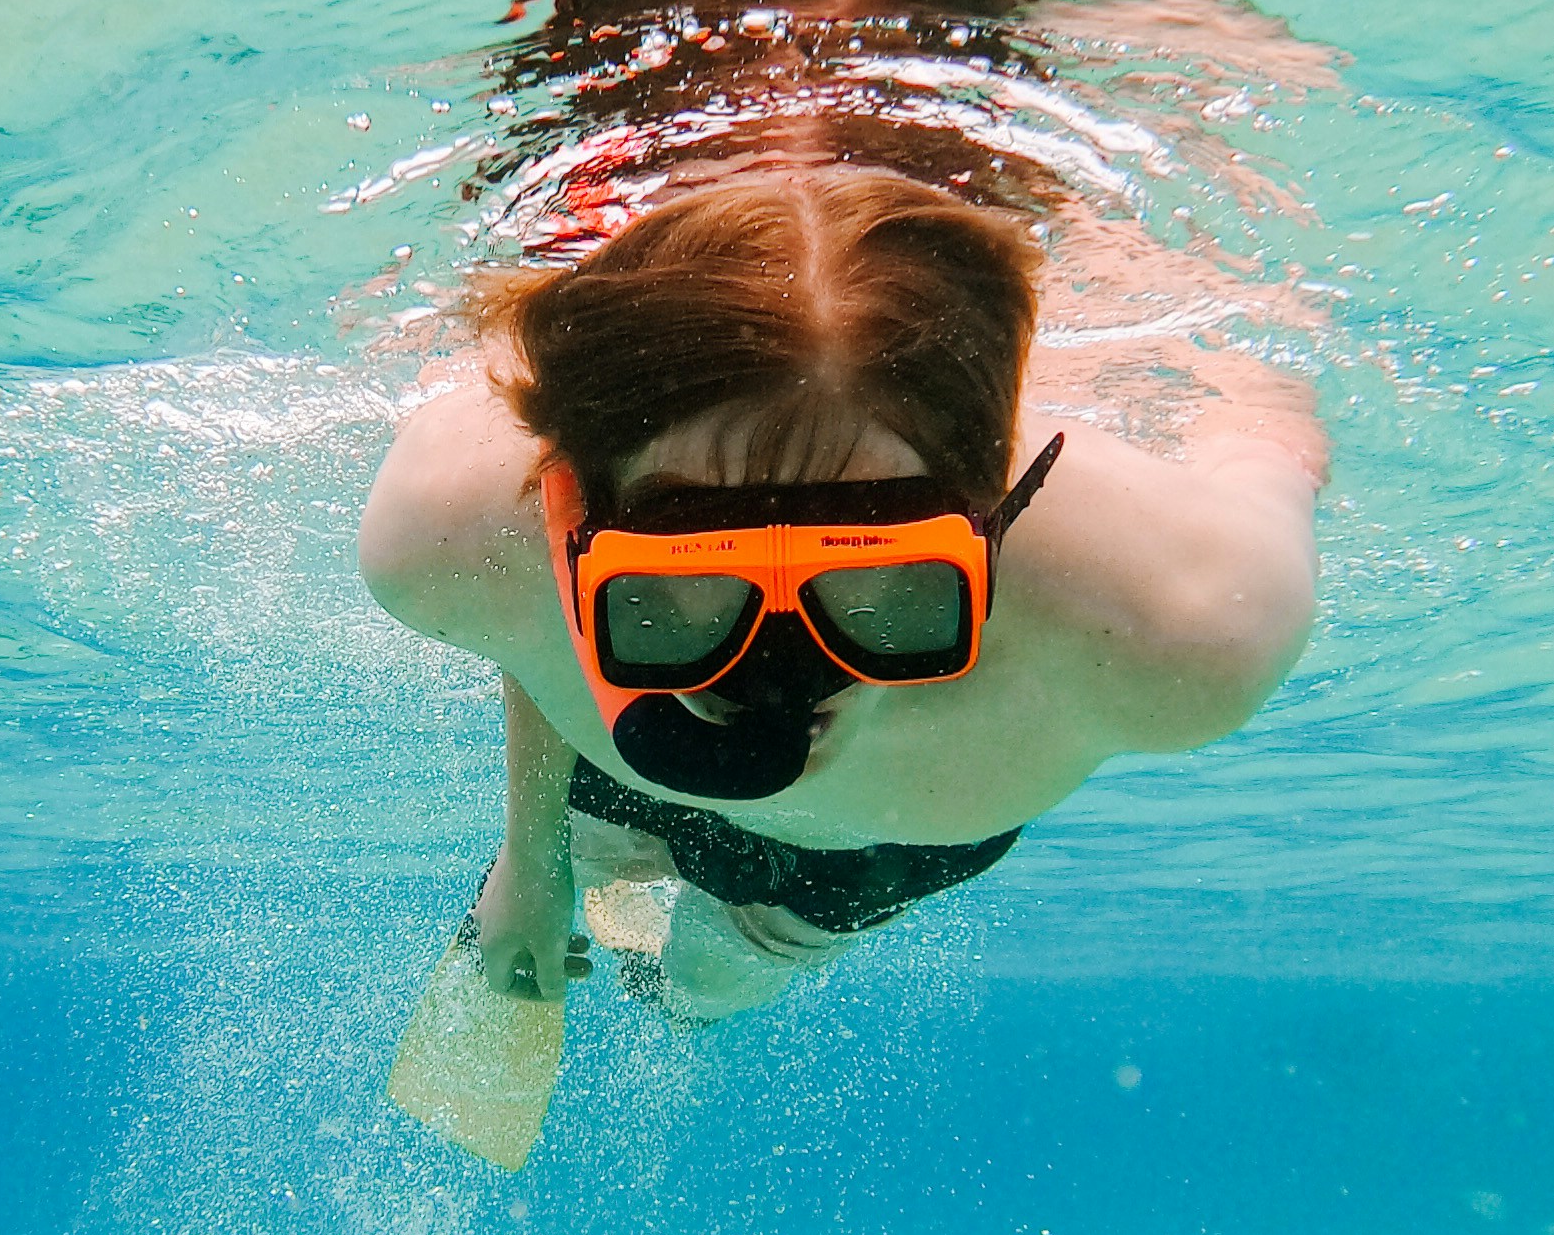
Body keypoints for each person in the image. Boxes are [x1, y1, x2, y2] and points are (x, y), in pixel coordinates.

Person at [358, 148, 1326, 1021]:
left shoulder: (1183, 623)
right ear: (562, 517)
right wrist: (531, 861)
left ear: (997, 519)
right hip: (616, 764)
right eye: (681, 591)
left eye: (877, 586)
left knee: (702, 985)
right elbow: (526, 614)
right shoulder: (454, 533)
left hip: (856, 861)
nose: (778, 683)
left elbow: (1267, 446)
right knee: (606, 868)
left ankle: (676, 989)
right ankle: (613, 883)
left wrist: (1264, 417)